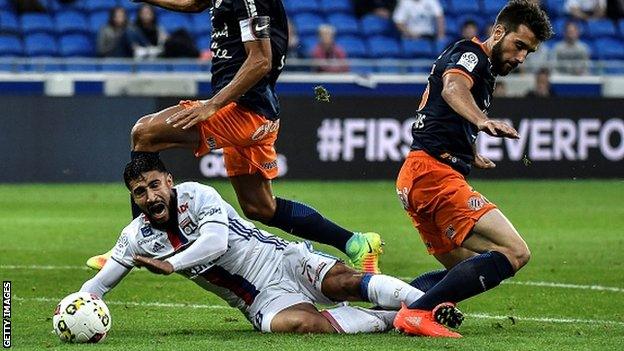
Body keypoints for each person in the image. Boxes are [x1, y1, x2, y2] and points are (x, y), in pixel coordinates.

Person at [86, 0, 383, 275]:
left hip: (243, 110)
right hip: (255, 112)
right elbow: (196, 3)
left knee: (144, 134)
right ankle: (356, 243)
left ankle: (132, 247)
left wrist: (212, 105)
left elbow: (261, 60)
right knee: (260, 208)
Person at [80, 155, 462, 334]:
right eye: (140, 192)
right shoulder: (136, 238)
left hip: (280, 259)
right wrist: (74, 307)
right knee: (300, 324)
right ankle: (395, 318)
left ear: (169, 180)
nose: (149, 195)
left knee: (344, 282)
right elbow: (99, 286)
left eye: (154, 184)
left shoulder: (196, 195)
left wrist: (173, 264)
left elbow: (215, 242)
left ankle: (430, 302)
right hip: (257, 300)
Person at [392, 0, 553, 337]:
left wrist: (468, 150)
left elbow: (441, 108)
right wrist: (481, 121)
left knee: (465, 270)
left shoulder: (484, 70)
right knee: (515, 251)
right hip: (433, 175)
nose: (521, 57)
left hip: (418, 174)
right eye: (519, 45)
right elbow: (452, 88)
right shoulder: (472, 54)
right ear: (498, 32)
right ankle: (418, 313)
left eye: (529, 52)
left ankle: (396, 305)